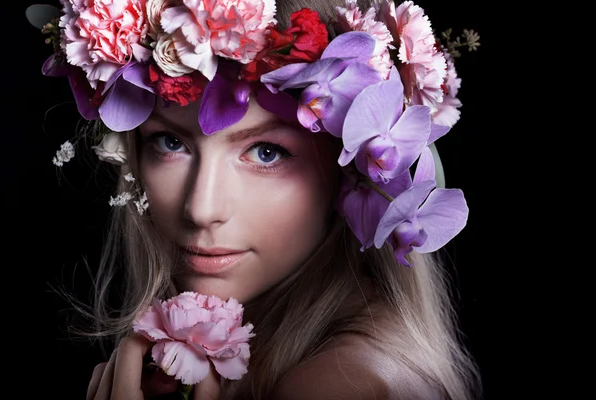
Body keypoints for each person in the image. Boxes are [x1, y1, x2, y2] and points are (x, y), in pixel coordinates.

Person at [27, 0, 482, 398]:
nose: (201, 209)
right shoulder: (310, 357)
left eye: (267, 152)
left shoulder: (333, 385)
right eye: (169, 143)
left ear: (354, 171)